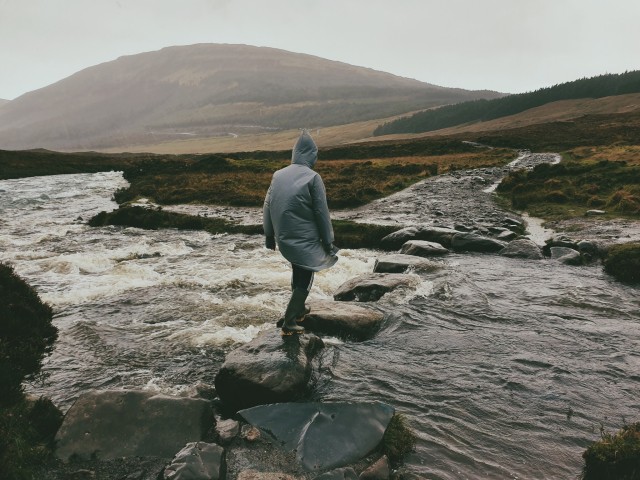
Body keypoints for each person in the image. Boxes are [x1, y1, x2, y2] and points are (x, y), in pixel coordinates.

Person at [263, 130, 339, 335]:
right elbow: (321, 212)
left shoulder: (278, 175)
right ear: (312, 154)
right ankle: (289, 322)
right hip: (306, 238)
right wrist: (328, 241)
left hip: (284, 238)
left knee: (298, 270)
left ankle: (299, 309)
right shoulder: (313, 178)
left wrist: (269, 235)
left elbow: (267, 206)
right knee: (306, 276)